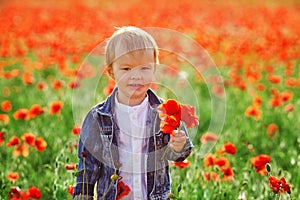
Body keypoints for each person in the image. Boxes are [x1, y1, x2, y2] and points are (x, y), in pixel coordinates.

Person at [73, 26, 193, 200]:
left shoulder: (165, 113)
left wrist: (179, 145)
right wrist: (83, 194)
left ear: (154, 69)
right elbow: (88, 163)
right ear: (111, 71)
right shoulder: (97, 118)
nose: (136, 76)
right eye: (126, 69)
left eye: (144, 68)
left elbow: (178, 155)